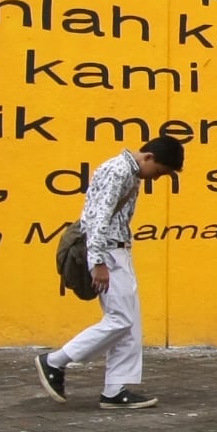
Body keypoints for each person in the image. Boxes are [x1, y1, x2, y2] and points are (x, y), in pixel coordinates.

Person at [36, 136, 184, 409]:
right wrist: (99, 262)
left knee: (130, 323)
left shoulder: (130, 173)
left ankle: (115, 390)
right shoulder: (118, 171)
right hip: (108, 254)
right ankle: (55, 361)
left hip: (118, 252)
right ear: (149, 157)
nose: (158, 177)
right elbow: (97, 218)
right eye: (160, 171)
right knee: (119, 319)